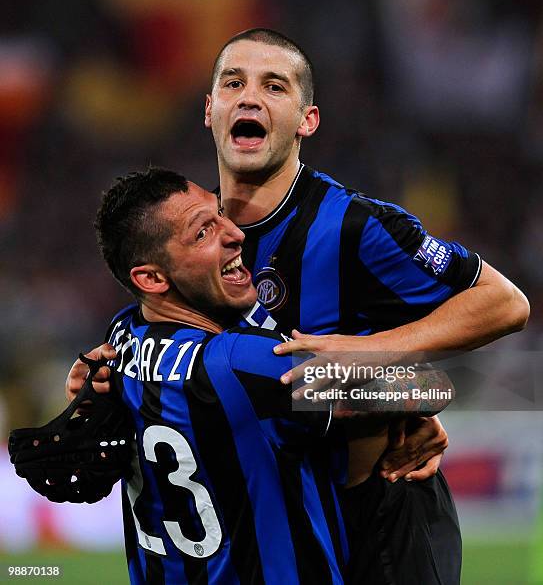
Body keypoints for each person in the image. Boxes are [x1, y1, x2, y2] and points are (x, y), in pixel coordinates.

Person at [68, 29, 529, 583]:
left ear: (306, 119)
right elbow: (168, 346)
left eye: (275, 86)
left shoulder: (357, 226)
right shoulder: (185, 236)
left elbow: (504, 303)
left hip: (377, 508)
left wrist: (372, 358)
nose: (250, 97)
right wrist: (105, 375)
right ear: (210, 110)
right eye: (233, 82)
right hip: (267, 509)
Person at [90, 167, 348, 584]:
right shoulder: (242, 364)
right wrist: (413, 403)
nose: (235, 234)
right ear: (152, 278)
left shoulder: (120, 339)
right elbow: (425, 390)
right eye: (202, 234)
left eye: (221, 214)